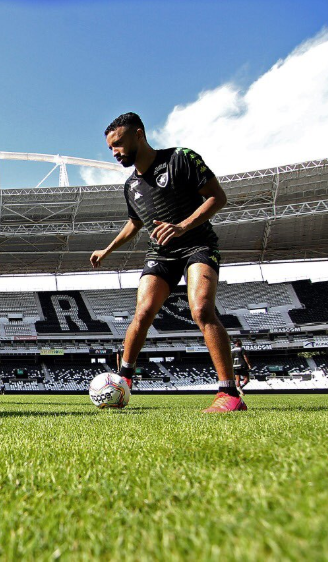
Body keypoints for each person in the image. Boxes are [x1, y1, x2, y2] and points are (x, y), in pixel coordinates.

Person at [90, 112, 246, 413]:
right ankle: (124, 379)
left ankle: (230, 394)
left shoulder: (181, 158)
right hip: (161, 253)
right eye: (110, 148)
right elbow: (134, 223)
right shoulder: (131, 186)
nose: (115, 153)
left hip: (198, 245)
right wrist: (107, 250)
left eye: (119, 144)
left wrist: (183, 226)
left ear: (139, 135)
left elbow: (217, 197)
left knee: (201, 309)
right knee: (143, 311)